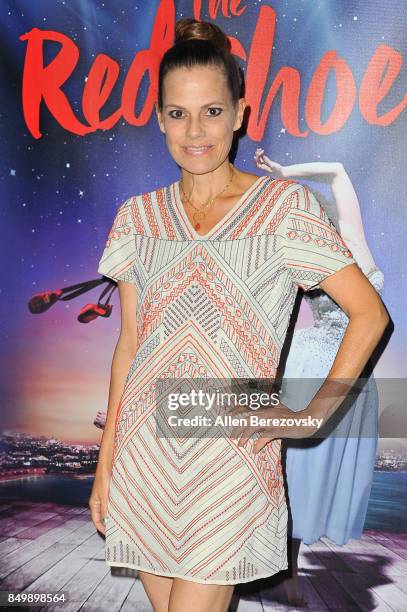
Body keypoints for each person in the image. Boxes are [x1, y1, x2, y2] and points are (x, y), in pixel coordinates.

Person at [89, 18, 388, 612]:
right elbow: (128, 348)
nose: (195, 130)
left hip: (233, 455)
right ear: (159, 118)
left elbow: (370, 315)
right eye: (177, 113)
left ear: (241, 113)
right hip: (144, 457)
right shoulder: (136, 218)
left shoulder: (285, 209)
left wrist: (311, 417)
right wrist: (106, 467)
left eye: (212, 112)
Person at [254, 150, 385, 604]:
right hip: (313, 372)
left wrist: (284, 171)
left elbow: (339, 171)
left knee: (314, 478)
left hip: (354, 377)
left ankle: (280, 569)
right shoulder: (297, 253)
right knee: (294, 472)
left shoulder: (350, 235)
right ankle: (279, 572)